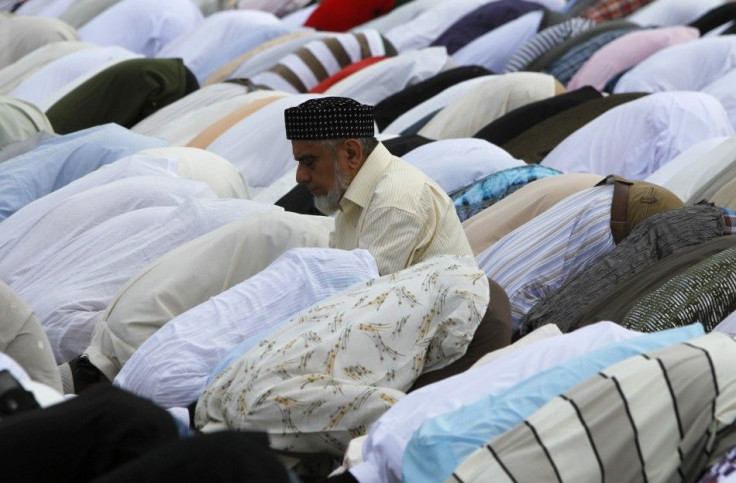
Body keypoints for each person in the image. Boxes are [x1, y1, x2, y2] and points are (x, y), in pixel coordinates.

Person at [285, 96, 473, 275]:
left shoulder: (393, 203)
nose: (300, 177)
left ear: (351, 153)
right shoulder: (353, 197)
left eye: (309, 162)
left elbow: (361, 299)